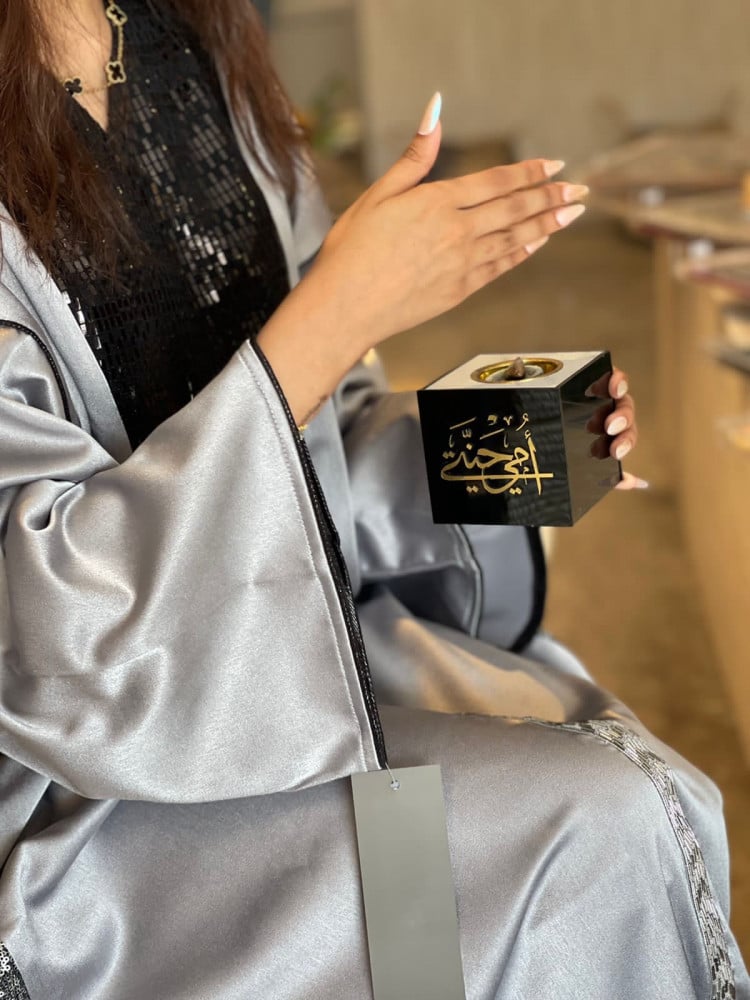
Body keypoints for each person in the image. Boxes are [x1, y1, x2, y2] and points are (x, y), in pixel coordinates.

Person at [0, 2, 746, 998]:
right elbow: (54, 636)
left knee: (654, 798)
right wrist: (341, 307)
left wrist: (513, 445)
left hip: (311, 657)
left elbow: (332, 433)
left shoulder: (195, 44)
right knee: (593, 825)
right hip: (97, 797)